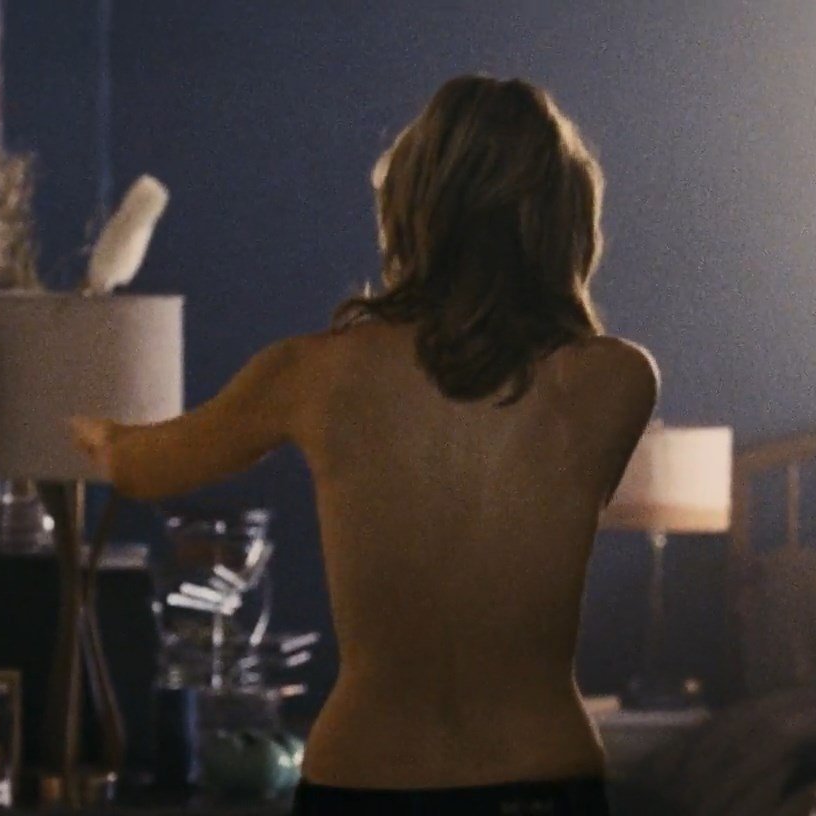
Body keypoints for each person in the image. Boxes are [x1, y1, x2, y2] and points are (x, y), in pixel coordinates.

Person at [69, 74, 655, 816]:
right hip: (540, 776)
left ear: (410, 207)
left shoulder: (311, 374)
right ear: (565, 211)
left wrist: (86, 427)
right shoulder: (618, 380)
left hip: (366, 774)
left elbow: (139, 468)